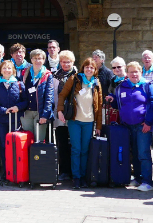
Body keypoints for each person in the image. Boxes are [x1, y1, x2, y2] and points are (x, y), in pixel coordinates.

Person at [111, 61, 153, 192]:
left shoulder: (147, 86)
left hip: (143, 126)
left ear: (140, 72)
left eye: (136, 71)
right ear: (127, 73)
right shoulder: (121, 87)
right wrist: (112, 99)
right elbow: (119, 104)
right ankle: (138, 178)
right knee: (134, 153)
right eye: (131, 72)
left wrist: (149, 122)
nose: (133, 74)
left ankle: (148, 182)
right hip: (127, 127)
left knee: (143, 153)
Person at [57, 57, 102, 189]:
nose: (89, 69)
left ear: (94, 70)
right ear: (83, 68)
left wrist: (98, 126)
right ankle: (76, 177)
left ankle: (83, 177)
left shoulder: (96, 83)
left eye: (92, 68)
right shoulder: (75, 79)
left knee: (85, 150)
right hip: (75, 120)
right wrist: (60, 111)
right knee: (76, 150)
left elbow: (99, 105)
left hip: (89, 121)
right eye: (87, 67)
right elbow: (62, 95)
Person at [0, 60, 29, 181]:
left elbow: (26, 101)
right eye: (4, 68)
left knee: (16, 145)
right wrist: (3, 110)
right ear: (0, 70)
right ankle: (6, 172)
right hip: (2, 121)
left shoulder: (19, 84)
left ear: (13, 70)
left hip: (16, 120)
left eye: (9, 68)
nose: (7, 70)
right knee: (3, 145)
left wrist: (18, 107)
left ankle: (17, 170)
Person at [53, 49, 77, 180]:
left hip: (74, 114)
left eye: (68, 62)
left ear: (72, 62)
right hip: (60, 114)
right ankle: (64, 171)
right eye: (63, 62)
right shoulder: (55, 75)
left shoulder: (79, 75)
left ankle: (75, 171)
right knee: (61, 143)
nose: (65, 64)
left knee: (74, 144)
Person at [21, 49, 54, 140]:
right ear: (31, 60)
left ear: (44, 60)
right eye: (35, 58)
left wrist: (45, 115)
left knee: (39, 140)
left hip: (40, 112)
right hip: (26, 112)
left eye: (40, 58)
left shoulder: (47, 75)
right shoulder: (25, 73)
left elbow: (49, 96)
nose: (37, 61)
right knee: (27, 140)